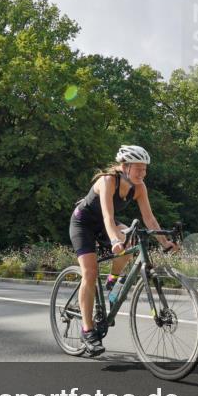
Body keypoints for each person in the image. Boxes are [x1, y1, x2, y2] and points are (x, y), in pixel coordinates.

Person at [69, 145, 178, 357]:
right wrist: (114, 240)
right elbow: (108, 218)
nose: (142, 173)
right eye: (138, 169)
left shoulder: (139, 187)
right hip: (83, 224)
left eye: (145, 169)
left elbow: (149, 218)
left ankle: (112, 282)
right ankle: (87, 330)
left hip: (104, 224)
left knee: (130, 244)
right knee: (90, 273)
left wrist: (165, 243)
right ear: (124, 166)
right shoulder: (108, 181)